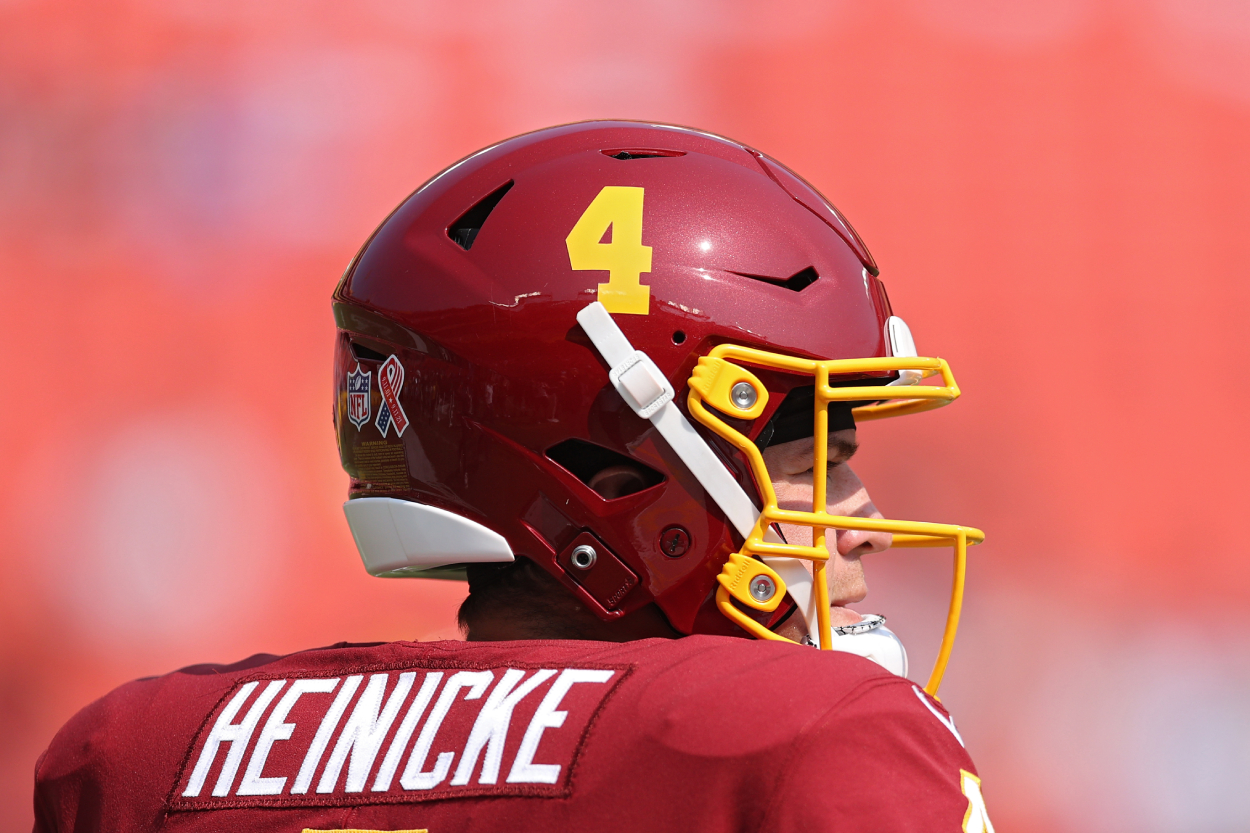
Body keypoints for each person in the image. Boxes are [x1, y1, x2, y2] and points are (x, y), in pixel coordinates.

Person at [34, 121, 994, 832]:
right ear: (613, 465)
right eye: (813, 463)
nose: (861, 525)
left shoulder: (133, 758)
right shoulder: (806, 739)